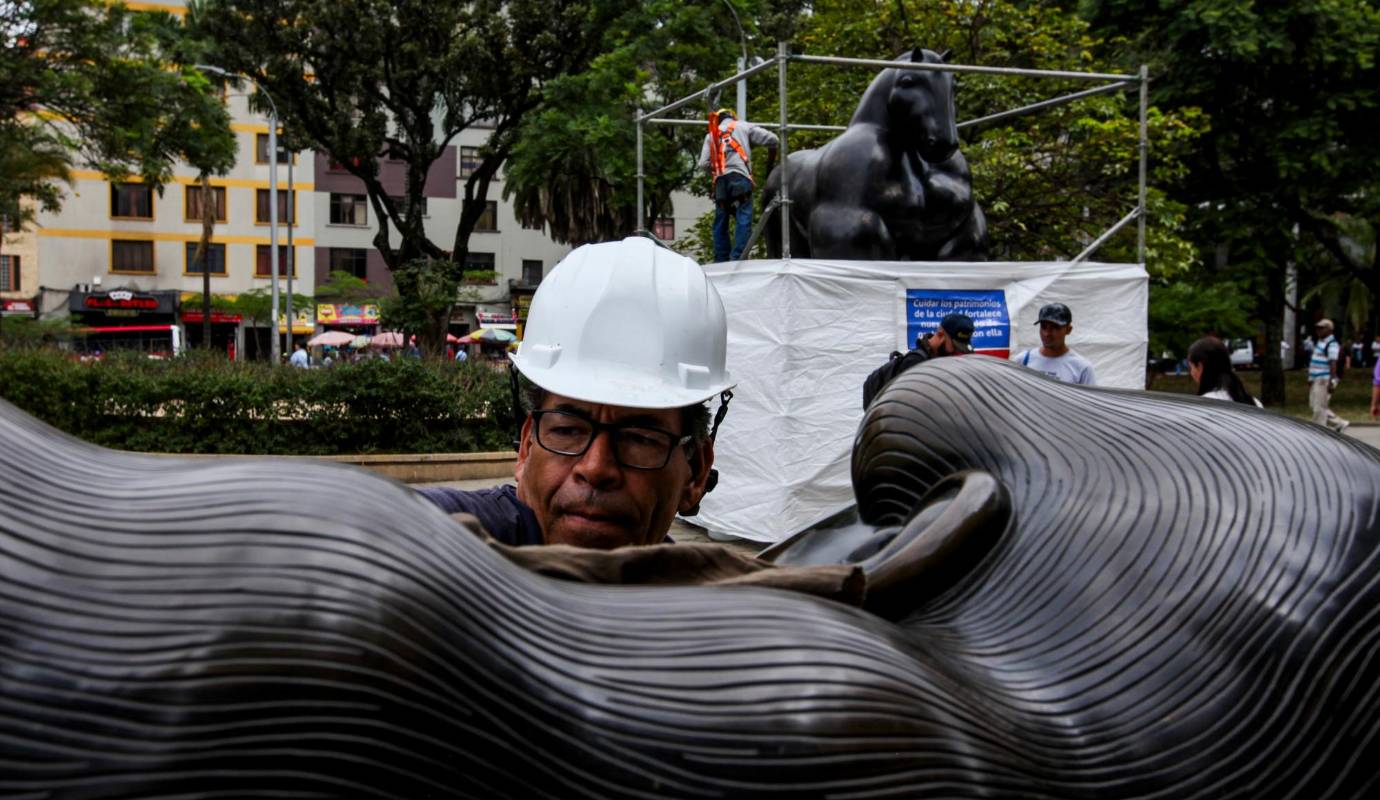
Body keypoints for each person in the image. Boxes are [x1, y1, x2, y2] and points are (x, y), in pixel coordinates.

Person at [420, 237, 735, 549]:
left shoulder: (700, 592)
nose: (596, 468)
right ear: (526, 448)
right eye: (567, 430)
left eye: (639, 438)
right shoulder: (456, 539)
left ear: (695, 473)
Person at [698, 108, 778, 263]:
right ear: (733, 117)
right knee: (743, 217)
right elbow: (773, 140)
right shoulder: (743, 126)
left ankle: (721, 259)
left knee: (721, 220)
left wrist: (716, 172)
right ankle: (738, 257)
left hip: (721, 181)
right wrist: (770, 164)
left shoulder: (711, 135)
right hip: (740, 177)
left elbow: (703, 164)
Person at [862, 313, 973, 410]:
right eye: (954, 346)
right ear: (940, 334)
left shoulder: (936, 361)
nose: (956, 352)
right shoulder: (915, 362)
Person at [1010, 303, 1095, 385]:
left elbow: (1090, 399)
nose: (1047, 333)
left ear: (1068, 329)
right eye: (1043, 327)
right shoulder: (1022, 361)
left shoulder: (1082, 368)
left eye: (1055, 327)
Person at [1187, 336, 1260, 407]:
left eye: (1191, 367)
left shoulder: (1204, 405)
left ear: (1200, 366)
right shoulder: (1254, 402)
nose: (1191, 373)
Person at [1308, 318, 1348, 433]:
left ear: (1329, 330)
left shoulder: (1332, 344)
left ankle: (1318, 432)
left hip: (1323, 379)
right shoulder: (1321, 342)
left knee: (1319, 408)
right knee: (1315, 405)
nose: (1318, 331)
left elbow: (1333, 363)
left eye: (1321, 328)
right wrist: (1310, 378)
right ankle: (1339, 423)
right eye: (1317, 328)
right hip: (1316, 379)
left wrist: (1332, 381)